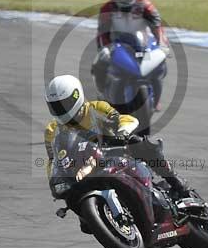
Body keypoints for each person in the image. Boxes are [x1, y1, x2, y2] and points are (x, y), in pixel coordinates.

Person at [43, 75, 189, 198]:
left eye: (64, 104)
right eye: (56, 106)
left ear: (76, 96)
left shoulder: (97, 108)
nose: (61, 110)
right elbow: (53, 160)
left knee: (140, 143)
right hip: (80, 168)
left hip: (113, 154)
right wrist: (54, 179)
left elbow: (122, 119)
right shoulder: (52, 130)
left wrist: (122, 132)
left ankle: (175, 181)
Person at [93, 0, 169, 106]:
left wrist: (161, 44)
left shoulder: (145, 5)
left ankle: (156, 99)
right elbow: (102, 32)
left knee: (160, 64)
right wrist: (104, 48)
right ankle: (102, 93)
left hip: (143, 43)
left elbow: (157, 26)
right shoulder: (107, 8)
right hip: (117, 45)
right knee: (99, 65)